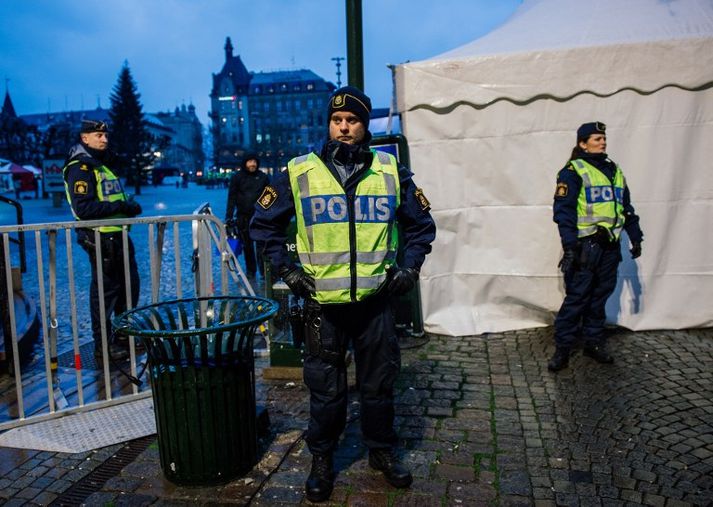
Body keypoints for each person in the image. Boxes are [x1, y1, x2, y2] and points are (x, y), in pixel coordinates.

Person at [251, 86, 436, 503]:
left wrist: (410, 268)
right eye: (337, 121)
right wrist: (288, 273)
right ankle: (322, 458)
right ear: (329, 124)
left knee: (378, 384)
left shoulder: (390, 171)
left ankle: (381, 452)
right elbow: (262, 225)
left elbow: (423, 226)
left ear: (364, 126)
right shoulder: (300, 171)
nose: (344, 128)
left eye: (351, 121)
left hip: (375, 302)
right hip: (323, 304)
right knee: (326, 389)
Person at [549, 121, 643, 372]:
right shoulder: (573, 171)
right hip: (586, 246)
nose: (602, 142)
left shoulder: (614, 170)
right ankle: (562, 348)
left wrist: (636, 236)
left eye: (603, 138)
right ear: (582, 143)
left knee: (599, 297)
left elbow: (626, 208)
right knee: (577, 298)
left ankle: (593, 342)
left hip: (610, 247)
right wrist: (569, 247)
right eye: (596, 138)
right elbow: (564, 212)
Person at [63, 120, 142, 361]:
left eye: (105, 135)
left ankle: (122, 335)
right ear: (84, 138)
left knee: (129, 288)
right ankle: (103, 345)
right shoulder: (81, 168)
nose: (104, 139)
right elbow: (84, 208)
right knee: (106, 293)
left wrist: (127, 205)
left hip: (117, 234)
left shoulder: (100, 166)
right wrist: (121, 206)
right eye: (98, 135)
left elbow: (110, 194)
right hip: (100, 237)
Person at [225, 154, 270, 277]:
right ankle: (251, 271)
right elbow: (232, 198)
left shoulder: (263, 177)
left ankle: (263, 272)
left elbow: (269, 196)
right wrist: (228, 216)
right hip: (243, 217)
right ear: (245, 163)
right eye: (250, 161)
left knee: (262, 247)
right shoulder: (237, 178)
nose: (252, 164)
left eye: (254, 161)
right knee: (247, 246)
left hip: (260, 217)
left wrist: (268, 212)